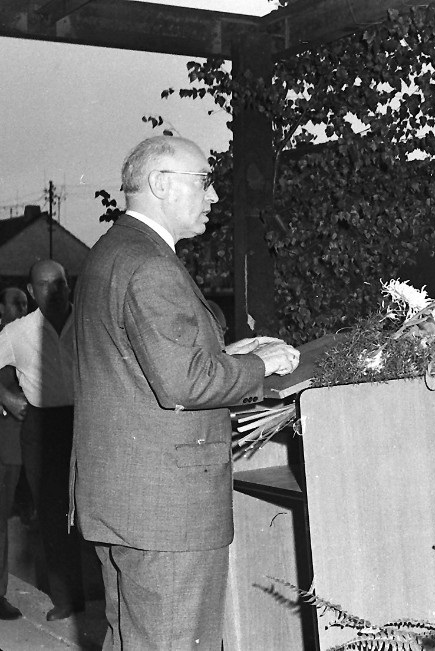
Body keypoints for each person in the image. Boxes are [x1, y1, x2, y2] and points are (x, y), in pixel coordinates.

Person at [72, 136, 300, 649]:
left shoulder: (114, 252)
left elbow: (136, 363)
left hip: (127, 499)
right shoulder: (152, 264)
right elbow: (183, 383)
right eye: (203, 181)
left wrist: (230, 354)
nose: (213, 195)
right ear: (160, 183)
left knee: (132, 639)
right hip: (167, 511)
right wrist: (261, 364)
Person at [0, 260, 86, 621]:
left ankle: (94, 593)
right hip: (43, 426)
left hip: (85, 420)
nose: (54, 291)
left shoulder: (88, 321)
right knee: (52, 514)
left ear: (69, 285)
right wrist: (5, 396)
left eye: (60, 283)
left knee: (94, 509)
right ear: (32, 291)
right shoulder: (17, 332)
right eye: (45, 285)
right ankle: (66, 600)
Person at [0, 287, 28, 620]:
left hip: (10, 443)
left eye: (25, 303)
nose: (22, 308)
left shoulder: (25, 339)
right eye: (15, 303)